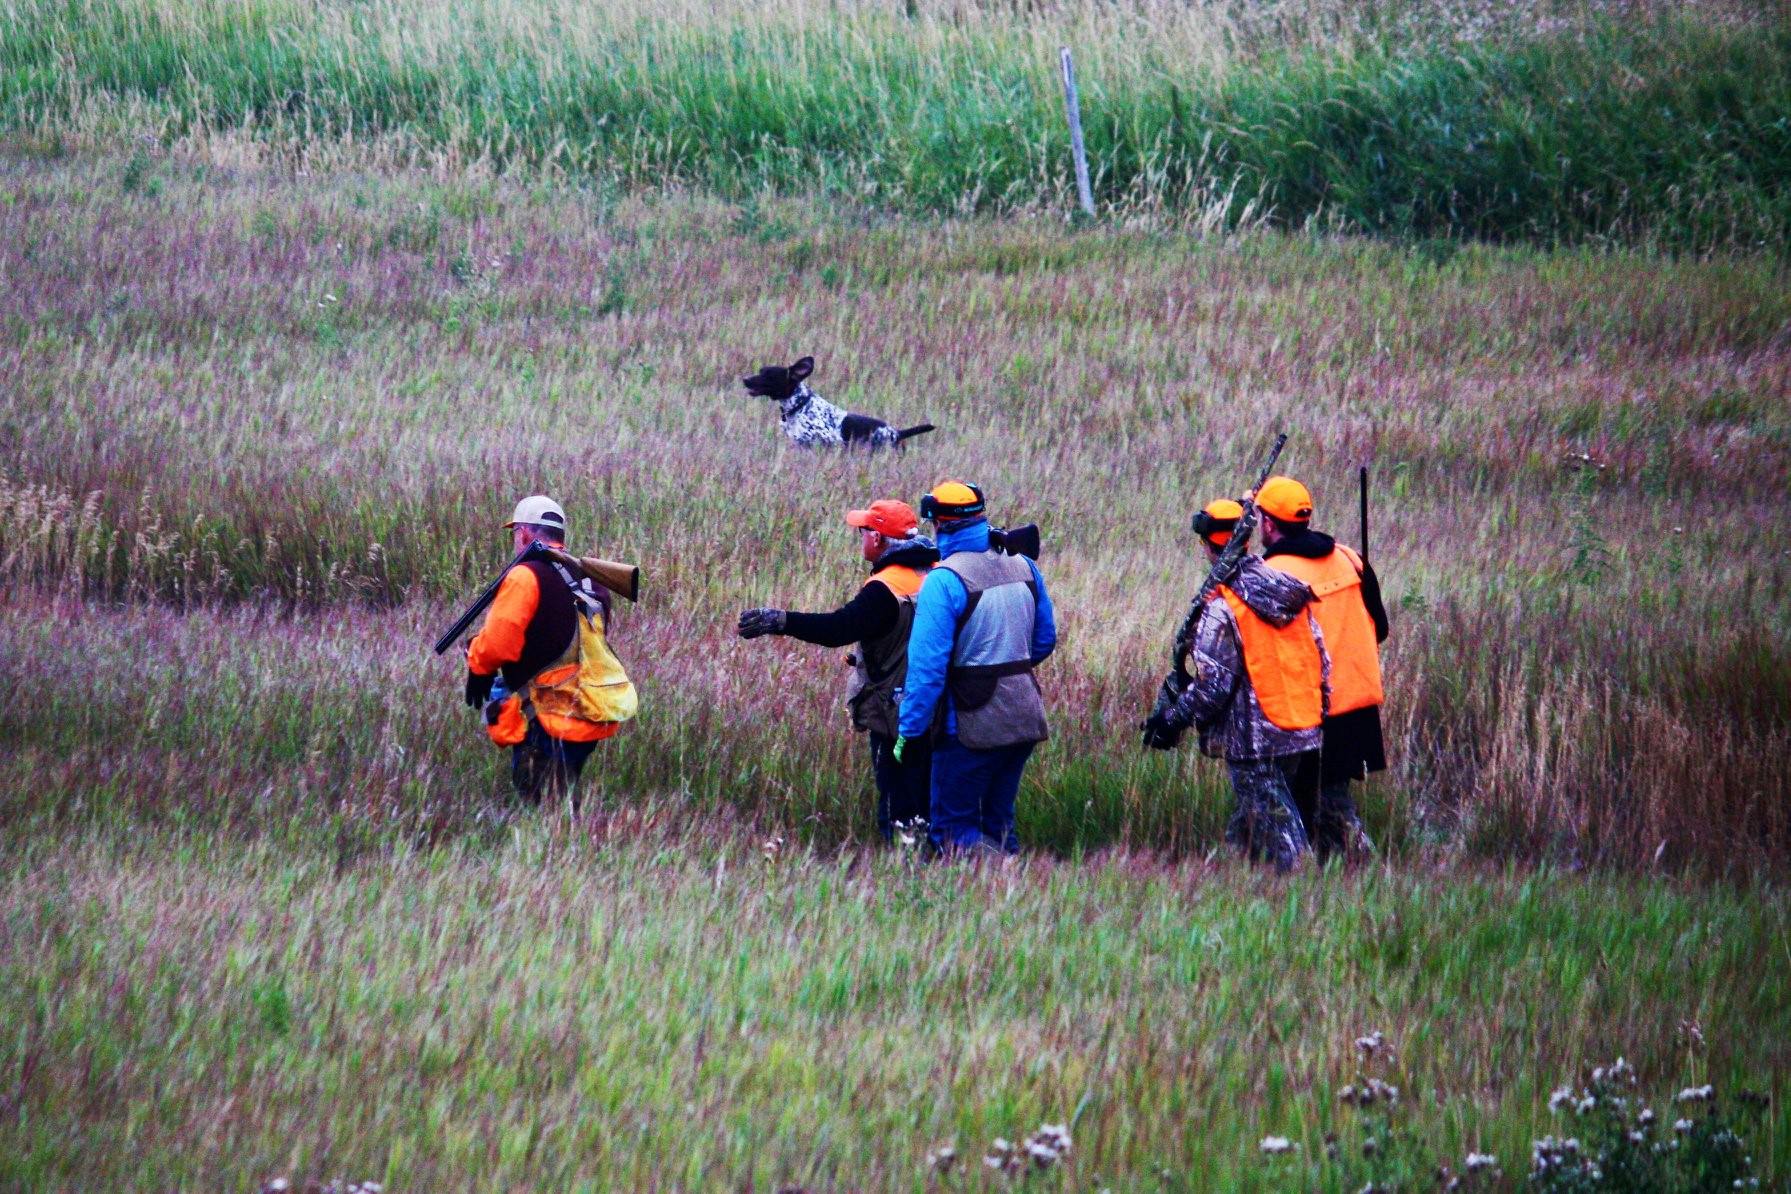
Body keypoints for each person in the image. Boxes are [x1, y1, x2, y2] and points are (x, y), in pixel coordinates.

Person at [736, 500, 940, 843]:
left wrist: (781, 621)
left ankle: (904, 872)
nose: (860, 538)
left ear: (877, 539)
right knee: (928, 802)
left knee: (896, 806)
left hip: (896, 715)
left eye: (862, 532)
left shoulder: (883, 589)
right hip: (939, 706)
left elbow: (838, 629)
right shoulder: (937, 574)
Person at [1143, 500, 1329, 872]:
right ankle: (1226, 879)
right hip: (1301, 724)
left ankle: (1310, 899)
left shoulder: (1222, 606)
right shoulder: (1285, 588)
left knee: (1282, 836)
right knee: (1250, 821)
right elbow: (1322, 657)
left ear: (1207, 545)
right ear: (1245, 540)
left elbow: (1213, 686)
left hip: (1254, 740)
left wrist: (1172, 720)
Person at [897, 481, 1056, 857]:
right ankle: (1015, 902)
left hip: (968, 725)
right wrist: (1005, 668)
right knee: (998, 825)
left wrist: (909, 730)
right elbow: (1045, 640)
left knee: (953, 832)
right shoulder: (1024, 565)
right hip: (1023, 715)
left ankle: (1001, 882)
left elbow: (927, 671)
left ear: (938, 523)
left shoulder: (944, 580)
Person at [464, 495, 633, 808]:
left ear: (525, 535)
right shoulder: (590, 580)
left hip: (548, 714)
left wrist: (478, 666)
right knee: (562, 796)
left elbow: (498, 643)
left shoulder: (525, 576)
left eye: (516, 534)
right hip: (589, 709)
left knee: (541, 805)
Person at [1255, 476, 1386, 861]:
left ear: (1268, 523)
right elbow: (1380, 628)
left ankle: (1365, 872)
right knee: (1328, 798)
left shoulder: (1270, 572)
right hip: (1357, 707)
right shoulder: (1351, 559)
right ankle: (1333, 880)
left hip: (1308, 708)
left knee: (1314, 802)